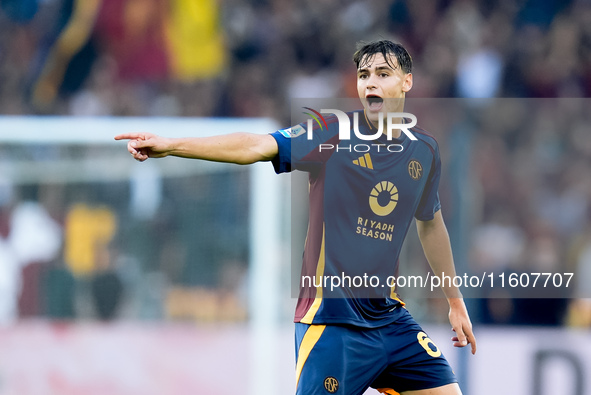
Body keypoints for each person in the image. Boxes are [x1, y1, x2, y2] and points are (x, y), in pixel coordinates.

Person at [115, 40, 476, 395]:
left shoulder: (424, 149)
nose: (371, 83)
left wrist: (455, 301)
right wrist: (173, 145)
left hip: (390, 319)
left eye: (383, 73)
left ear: (407, 82)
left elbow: (430, 223)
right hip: (331, 323)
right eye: (364, 75)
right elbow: (256, 146)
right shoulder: (331, 133)